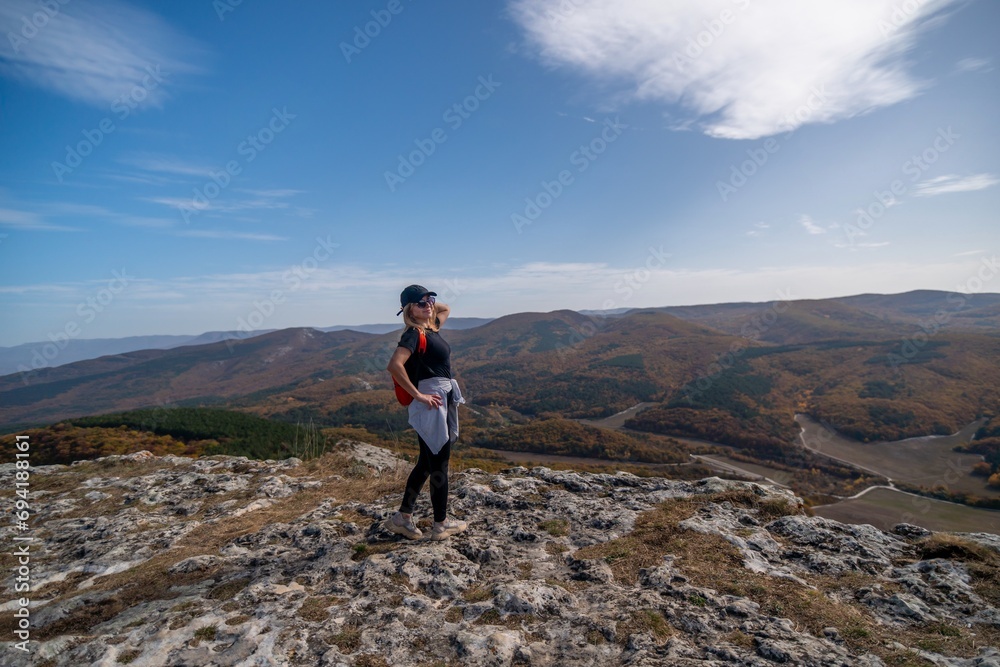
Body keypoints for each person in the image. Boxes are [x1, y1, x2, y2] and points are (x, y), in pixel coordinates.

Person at [385, 285, 468, 541]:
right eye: (420, 303)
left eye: (429, 299)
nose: (429, 304)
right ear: (409, 310)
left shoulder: (431, 328)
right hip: (431, 401)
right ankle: (441, 525)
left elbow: (446, 308)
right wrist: (418, 395)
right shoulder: (413, 334)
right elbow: (394, 365)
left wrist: (427, 305)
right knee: (440, 463)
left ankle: (402, 518)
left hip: (440, 399)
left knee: (426, 461)